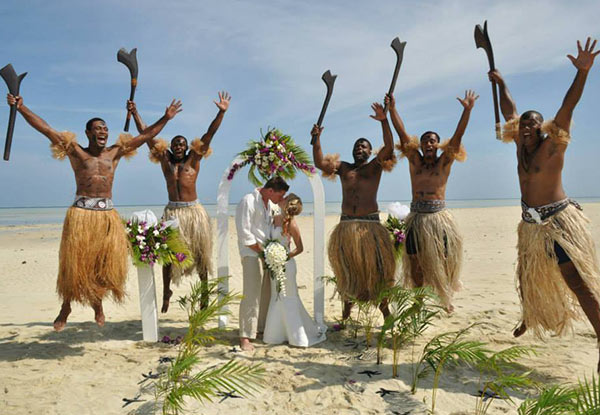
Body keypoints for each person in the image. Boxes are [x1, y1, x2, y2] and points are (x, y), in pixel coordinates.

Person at [6, 93, 182, 331]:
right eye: (98, 128)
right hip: (80, 215)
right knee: (74, 264)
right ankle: (66, 306)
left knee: (102, 264)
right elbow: (46, 129)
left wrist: (166, 118)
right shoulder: (76, 151)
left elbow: (145, 136)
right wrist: (22, 107)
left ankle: (97, 304)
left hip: (106, 216)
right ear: (88, 133)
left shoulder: (115, 152)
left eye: (106, 129)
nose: (103, 132)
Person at [489, 38, 600, 370]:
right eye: (522, 124)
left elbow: (569, 106)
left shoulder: (552, 147)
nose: (525, 127)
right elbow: (508, 109)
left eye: (532, 124)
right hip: (531, 225)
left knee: (577, 282)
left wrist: (582, 72)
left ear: (543, 128)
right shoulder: (520, 147)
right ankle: (529, 316)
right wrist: (502, 83)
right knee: (526, 274)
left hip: (559, 224)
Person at [127, 91, 231, 312]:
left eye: (182, 143)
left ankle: (204, 293)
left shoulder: (194, 160)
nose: (179, 146)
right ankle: (166, 292)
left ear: (187, 146)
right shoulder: (164, 160)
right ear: (170, 147)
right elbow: (146, 135)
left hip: (193, 212)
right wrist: (135, 113)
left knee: (201, 254)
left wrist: (220, 113)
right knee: (166, 255)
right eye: (175, 143)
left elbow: (209, 134)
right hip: (172, 212)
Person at [386, 90, 478, 312]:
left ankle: (445, 297)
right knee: (415, 260)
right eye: (426, 140)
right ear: (421, 144)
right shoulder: (415, 161)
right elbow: (402, 134)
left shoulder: (444, 162)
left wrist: (467, 111)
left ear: (438, 145)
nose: (429, 143)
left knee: (444, 260)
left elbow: (458, 136)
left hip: (438, 219)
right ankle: (418, 301)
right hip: (417, 218)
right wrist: (392, 110)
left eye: (433, 141)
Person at [311, 100, 396, 321]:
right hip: (347, 226)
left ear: (370, 151)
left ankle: (385, 312)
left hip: (370, 227)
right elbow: (320, 163)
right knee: (347, 271)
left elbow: (389, 146)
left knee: (378, 271)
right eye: (357, 146)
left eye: (364, 146)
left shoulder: (375, 166)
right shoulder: (344, 168)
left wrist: (384, 121)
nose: (359, 149)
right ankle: (346, 314)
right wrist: (316, 140)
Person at [263, 193, 327, 347]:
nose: (281, 198)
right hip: (274, 265)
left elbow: (300, 248)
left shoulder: (292, 224)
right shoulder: (275, 218)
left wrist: (284, 256)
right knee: (276, 296)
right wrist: (272, 256)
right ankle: (276, 335)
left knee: (288, 297)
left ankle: (297, 336)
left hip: (286, 265)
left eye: (284, 198)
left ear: (286, 204)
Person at [235, 176, 289, 351]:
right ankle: (245, 336)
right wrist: (261, 251)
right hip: (251, 252)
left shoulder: (270, 204)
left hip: (265, 253)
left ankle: (259, 329)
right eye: (279, 196)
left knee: (266, 293)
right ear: (270, 190)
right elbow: (244, 233)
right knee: (251, 293)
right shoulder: (248, 201)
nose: (280, 199)